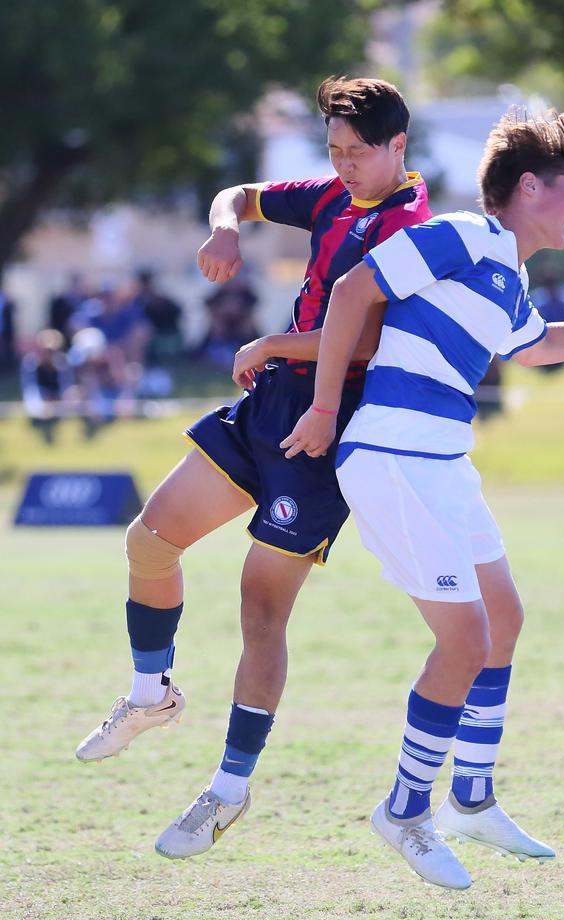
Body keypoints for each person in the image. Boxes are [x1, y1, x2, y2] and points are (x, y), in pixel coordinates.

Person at [282, 109, 564, 890]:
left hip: (444, 462)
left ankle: (472, 799)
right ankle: (405, 809)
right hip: (391, 458)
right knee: (466, 642)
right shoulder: (461, 234)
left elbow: (539, 344)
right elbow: (353, 290)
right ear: (526, 187)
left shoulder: (508, 276)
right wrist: (320, 407)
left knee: (504, 622)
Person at [74, 77, 432, 859]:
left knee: (260, 609)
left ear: (398, 146)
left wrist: (271, 344)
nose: (342, 166)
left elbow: (367, 344)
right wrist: (223, 230)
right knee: (149, 540)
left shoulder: (412, 226)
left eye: (356, 153)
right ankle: (149, 693)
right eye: (332, 150)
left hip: (323, 432)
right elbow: (238, 193)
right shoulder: (335, 197)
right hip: (267, 406)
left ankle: (228, 790)